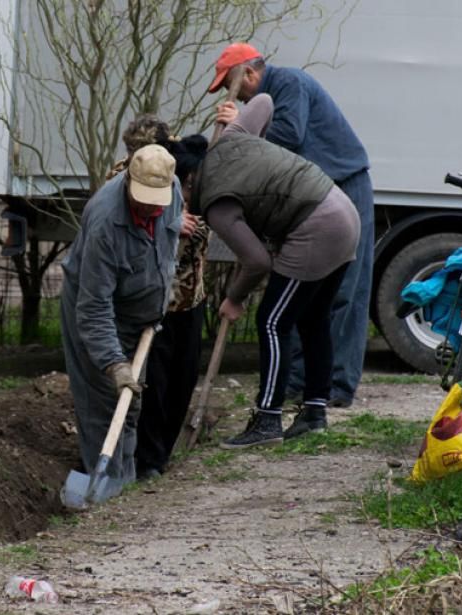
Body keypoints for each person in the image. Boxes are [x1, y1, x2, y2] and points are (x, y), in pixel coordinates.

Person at [208, 42, 374, 437]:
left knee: (340, 295)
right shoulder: (270, 92)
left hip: (341, 188)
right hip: (310, 198)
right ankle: (302, 389)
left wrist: (240, 123)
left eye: (235, 88)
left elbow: (289, 135)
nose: (242, 97)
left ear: (249, 74)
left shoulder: (290, 83)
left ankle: (334, 388)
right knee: (308, 308)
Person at [59, 144, 182, 493]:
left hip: (139, 319)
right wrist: (114, 363)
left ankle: (123, 487)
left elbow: (167, 243)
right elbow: (94, 306)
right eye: (144, 198)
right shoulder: (105, 222)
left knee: (131, 405)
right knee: (106, 405)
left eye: (157, 198)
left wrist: (160, 292)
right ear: (129, 179)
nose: (151, 206)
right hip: (98, 315)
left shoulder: (170, 193)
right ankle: (108, 492)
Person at [105, 115, 211, 480]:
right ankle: (148, 461)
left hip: (189, 294)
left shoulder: (185, 168)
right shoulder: (122, 179)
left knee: (184, 376)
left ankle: (164, 453)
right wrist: (170, 222)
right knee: (155, 382)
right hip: (153, 301)